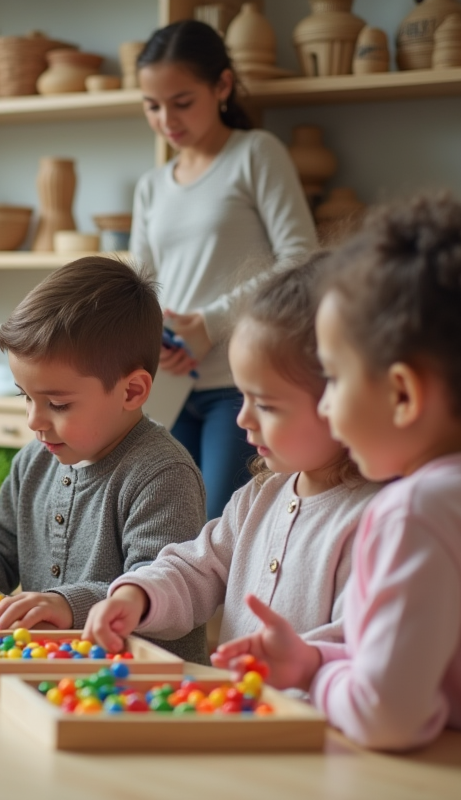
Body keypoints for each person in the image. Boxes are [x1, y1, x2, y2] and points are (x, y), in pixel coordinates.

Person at [213, 196, 461, 752]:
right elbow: (407, 664)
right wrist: (314, 659)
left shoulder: (414, 513)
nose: (326, 407)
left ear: (401, 394)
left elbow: (385, 717)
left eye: (333, 378)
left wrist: (315, 678)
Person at [0, 257, 209, 663]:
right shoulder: (35, 460)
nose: (34, 420)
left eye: (57, 403)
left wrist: (67, 605)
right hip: (58, 680)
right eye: (25, 396)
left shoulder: (162, 474)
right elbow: (2, 546)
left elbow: (157, 588)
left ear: (132, 392)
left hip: (143, 689)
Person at [83, 255, 377, 654]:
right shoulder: (258, 499)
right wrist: (137, 595)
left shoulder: (375, 520)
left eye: (267, 405)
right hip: (243, 713)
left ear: (346, 398)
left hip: (312, 716)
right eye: (242, 397)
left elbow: (360, 647)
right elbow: (193, 570)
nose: (243, 419)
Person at [130, 20, 318, 520]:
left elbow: (301, 257)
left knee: (221, 528)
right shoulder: (151, 186)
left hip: (238, 382)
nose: (166, 118)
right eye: (152, 105)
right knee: (166, 531)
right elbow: (140, 284)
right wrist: (154, 334)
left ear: (223, 86)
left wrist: (208, 324)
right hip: (165, 382)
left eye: (182, 101)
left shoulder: (256, 154)